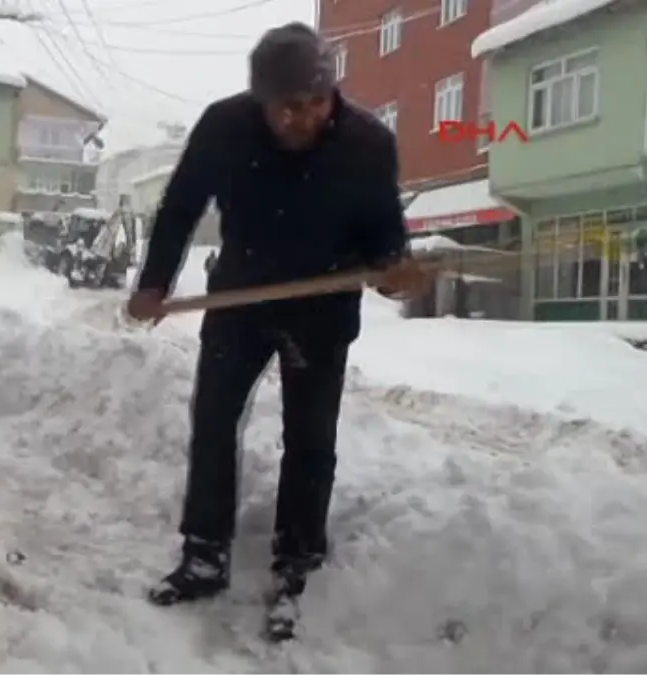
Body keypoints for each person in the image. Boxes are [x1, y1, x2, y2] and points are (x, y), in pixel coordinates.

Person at [125, 22, 432, 639]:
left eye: (316, 102)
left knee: (310, 437)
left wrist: (395, 270)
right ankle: (204, 552)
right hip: (240, 293)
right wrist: (154, 282)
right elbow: (181, 205)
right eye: (289, 106)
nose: (305, 117)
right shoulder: (224, 126)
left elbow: (382, 231)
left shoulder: (367, 142)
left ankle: (298, 562)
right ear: (262, 99)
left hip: (323, 304)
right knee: (213, 421)